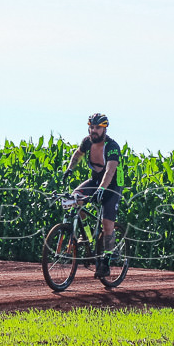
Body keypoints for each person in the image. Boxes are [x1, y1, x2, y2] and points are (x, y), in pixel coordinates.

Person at [60, 113, 124, 278]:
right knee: (74, 198)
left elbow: (110, 171)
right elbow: (78, 154)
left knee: (106, 222)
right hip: (95, 179)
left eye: (97, 128)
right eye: (91, 127)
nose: (93, 130)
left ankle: (107, 260)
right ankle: (85, 234)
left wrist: (101, 190)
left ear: (104, 129)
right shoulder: (87, 141)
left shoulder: (112, 146)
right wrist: (69, 169)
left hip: (113, 184)